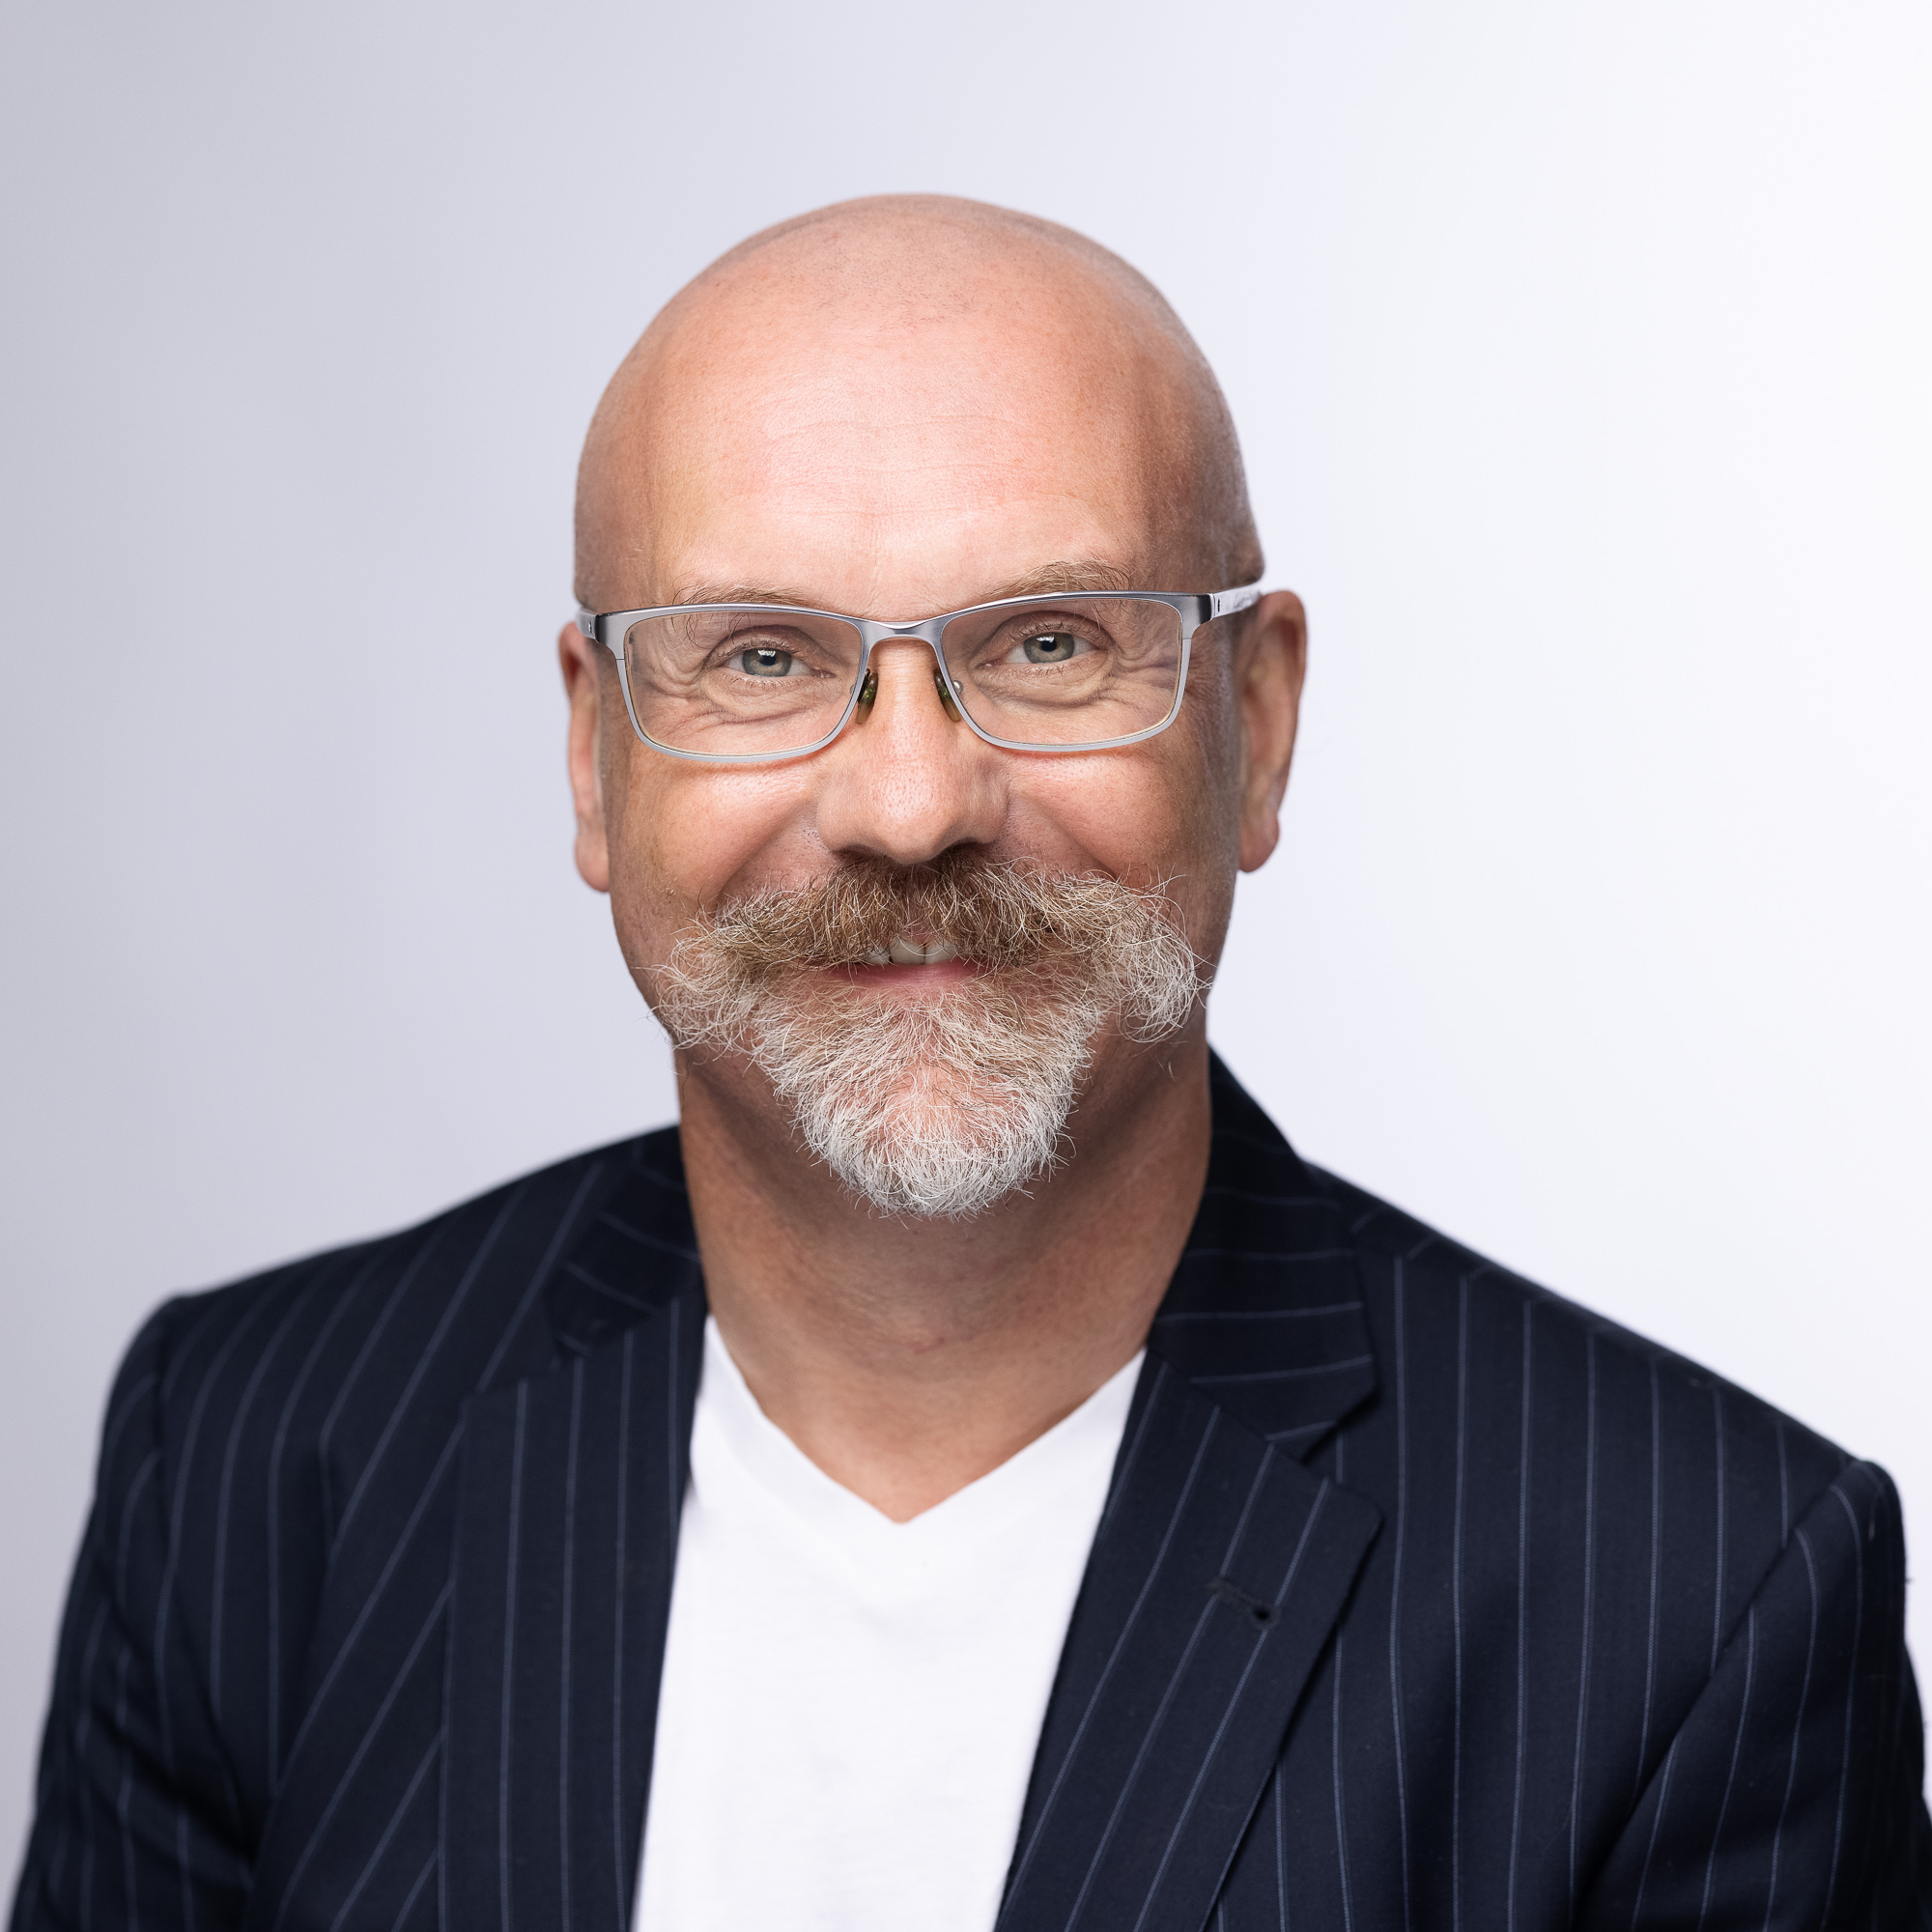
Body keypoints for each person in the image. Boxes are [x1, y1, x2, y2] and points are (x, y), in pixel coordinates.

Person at [11, 195, 1927, 1932]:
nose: (911, 803)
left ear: (1254, 725)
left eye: (1050, 644)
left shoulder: (1696, 1598)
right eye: (760, 658)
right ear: (595, 757)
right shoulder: (251, 1458)